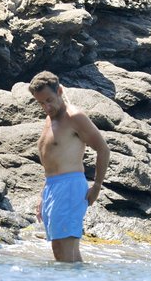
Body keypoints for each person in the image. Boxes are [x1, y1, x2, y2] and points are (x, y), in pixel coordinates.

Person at [29, 71, 110, 262]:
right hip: (53, 187)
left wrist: (97, 186)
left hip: (69, 187)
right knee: (66, 252)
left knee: (62, 251)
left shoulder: (75, 117)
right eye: (41, 103)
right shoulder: (51, 118)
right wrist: (44, 194)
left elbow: (103, 149)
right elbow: (53, 159)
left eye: (49, 100)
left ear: (59, 90)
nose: (46, 107)